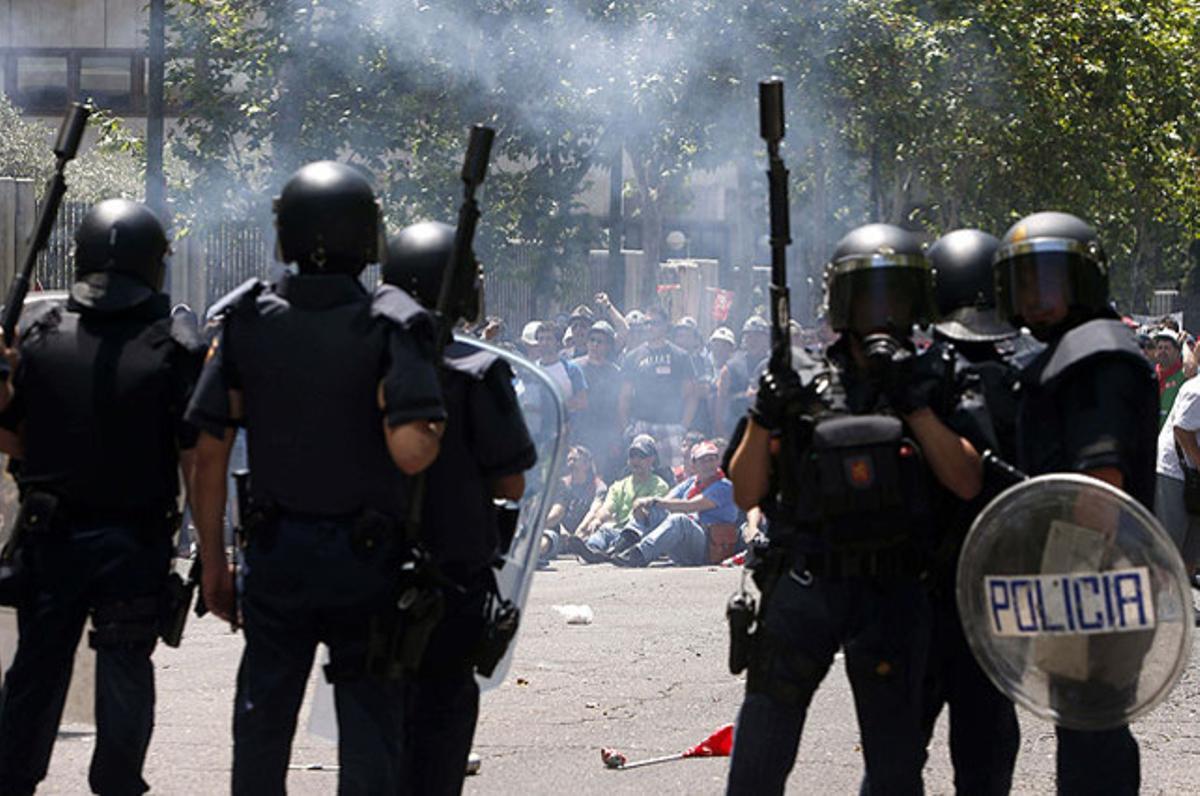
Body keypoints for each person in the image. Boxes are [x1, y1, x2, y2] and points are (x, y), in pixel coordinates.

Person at [186, 161, 447, 794]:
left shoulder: (248, 320)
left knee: (261, 726)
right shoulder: (392, 322)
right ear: (369, 238)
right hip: (368, 562)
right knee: (368, 732)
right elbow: (413, 452)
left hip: (276, 559)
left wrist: (215, 562)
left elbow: (207, 450)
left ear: (287, 235)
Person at [725, 223, 984, 795]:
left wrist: (914, 404)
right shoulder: (800, 376)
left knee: (894, 769)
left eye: (896, 295)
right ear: (844, 301)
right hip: (806, 585)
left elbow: (967, 481)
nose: (883, 311)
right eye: (869, 294)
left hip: (894, 594)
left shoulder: (938, 376)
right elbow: (745, 492)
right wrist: (765, 414)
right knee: (760, 756)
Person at [0, 199, 205, 795]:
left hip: (51, 538)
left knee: (38, 668)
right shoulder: (172, 344)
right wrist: (209, 547)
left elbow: (14, 432)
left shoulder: (41, 335)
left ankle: (12, 779)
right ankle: (116, 784)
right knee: (123, 670)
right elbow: (197, 456)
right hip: (133, 543)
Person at [993, 210, 1158, 795]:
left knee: (1094, 731)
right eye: (1025, 282)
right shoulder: (1072, 349)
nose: (1034, 298)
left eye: (1049, 282)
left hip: (1093, 575)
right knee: (1083, 724)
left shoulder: (1096, 357)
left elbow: (1100, 489)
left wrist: (1066, 597)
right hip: (1083, 577)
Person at [383, 220, 537, 793]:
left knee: (374, 724)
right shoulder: (476, 370)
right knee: (441, 725)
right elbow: (513, 483)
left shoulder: (362, 358)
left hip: (368, 570)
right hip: (451, 579)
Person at [892, 227, 1020, 794]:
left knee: (897, 754)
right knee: (985, 753)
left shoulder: (912, 378)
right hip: (993, 597)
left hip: (919, 591)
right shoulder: (1023, 381)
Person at [612, 440, 738, 567]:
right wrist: (645, 506)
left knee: (679, 520)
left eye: (712, 459)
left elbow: (690, 506)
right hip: (687, 544)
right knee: (656, 511)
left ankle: (639, 555)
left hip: (708, 549)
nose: (708, 464)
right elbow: (667, 500)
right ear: (694, 464)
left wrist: (653, 501)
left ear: (718, 462)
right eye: (703, 460)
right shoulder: (691, 483)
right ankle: (621, 545)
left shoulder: (724, 486)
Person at [617, 305, 699, 470]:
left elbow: (691, 395)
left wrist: (683, 427)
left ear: (666, 325)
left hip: (671, 426)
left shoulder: (681, 356)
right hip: (641, 426)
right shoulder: (632, 357)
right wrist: (626, 428)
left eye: (654, 323)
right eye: (646, 323)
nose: (650, 327)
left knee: (675, 474)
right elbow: (624, 396)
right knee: (640, 474)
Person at [570, 434, 669, 561]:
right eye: (632, 456)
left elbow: (652, 516)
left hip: (641, 534)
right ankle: (592, 550)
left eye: (641, 456)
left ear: (652, 459)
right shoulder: (619, 485)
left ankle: (612, 550)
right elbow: (607, 509)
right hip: (618, 531)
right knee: (604, 531)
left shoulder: (660, 486)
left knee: (629, 532)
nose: (636, 460)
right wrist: (598, 520)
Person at [1155, 374, 1200, 574]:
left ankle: (1179, 600)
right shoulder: (1197, 389)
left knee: (1190, 556)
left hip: (1194, 478)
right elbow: (1182, 430)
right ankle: (1157, 602)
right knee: (1168, 552)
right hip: (1175, 475)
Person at [572, 321, 623, 480]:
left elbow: (619, 408)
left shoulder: (615, 372)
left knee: (601, 478)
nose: (595, 345)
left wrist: (616, 439)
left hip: (605, 437)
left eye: (600, 341)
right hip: (578, 432)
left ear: (608, 346)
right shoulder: (574, 367)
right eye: (592, 340)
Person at [540, 445, 608, 563]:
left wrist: (578, 534)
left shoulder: (599, 486)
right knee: (549, 536)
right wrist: (563, 531)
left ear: (586, 465)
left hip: (584, 533)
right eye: (569, 460)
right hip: (562, 534)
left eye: (575, 460)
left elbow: (594, 511)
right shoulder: (562, 484)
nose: (570, 463)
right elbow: (556, 510)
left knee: (597, 529)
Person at [716, 316, 770, 437]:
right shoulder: (731, 366)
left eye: (758, 336)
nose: (753, 340)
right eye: (749, 336)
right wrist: (720, 431)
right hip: (736, 429)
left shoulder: (774, 364)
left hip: (766, 429)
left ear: (766, 339)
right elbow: (720, 400)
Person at [1153, 328, 1186, 428]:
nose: (1162, 351)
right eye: (1160, 347)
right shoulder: (1150, 374)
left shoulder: (1184, 375)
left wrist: (1184, 344)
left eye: (1167, 348)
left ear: (1177, 352)